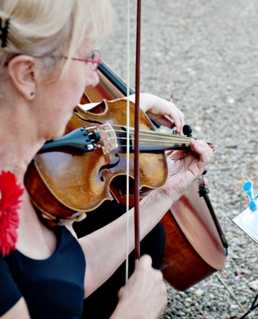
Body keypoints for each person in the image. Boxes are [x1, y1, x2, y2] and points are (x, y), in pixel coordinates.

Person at [0, 0, 214, 318]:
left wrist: (167, 191)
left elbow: (66, 278)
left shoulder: (36, 171)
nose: (92, 80)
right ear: (28, 74)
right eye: (87, 58)